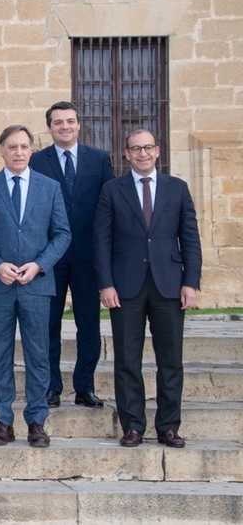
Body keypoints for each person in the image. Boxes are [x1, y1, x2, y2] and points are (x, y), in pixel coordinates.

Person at [94, 128, 201, 448]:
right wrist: (105, 284)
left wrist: (191, 283)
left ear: (158, 151)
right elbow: (101, 241)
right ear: (126, 154)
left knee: (171, 360)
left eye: (148, 148)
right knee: (127, 360)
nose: (142, 153)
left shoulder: (177, 188)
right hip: (125, 286)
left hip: (169, 285)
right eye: (135, 149)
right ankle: (133, 426)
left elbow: (191, 239)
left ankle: (168, 426)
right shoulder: (112, 190)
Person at [0, 125, 71, 449]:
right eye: (13, 147)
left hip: (36, 285)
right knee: (0, 355)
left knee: (38, 355)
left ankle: (37, 422)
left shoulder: (49, 188)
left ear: (31, 150)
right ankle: (3, 422)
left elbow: (62, 234)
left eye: (25, 146)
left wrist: (39, 265)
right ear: (1, 150)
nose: (19, 152)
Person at [30, 101, 115, 409]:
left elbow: (109, 208)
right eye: (57, 122)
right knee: (47, 324)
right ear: (50, 127)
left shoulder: (99, 159)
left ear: (79, 125)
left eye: (69, 121)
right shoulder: (37, 160)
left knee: (89, 324)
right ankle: (51, 387)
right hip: (49, 256)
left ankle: (85, 386)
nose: (64, 126)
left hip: (88, 256)